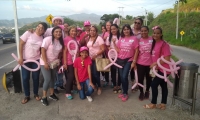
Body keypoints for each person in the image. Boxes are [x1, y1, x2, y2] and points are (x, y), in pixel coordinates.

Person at [19, 22, 48, 104]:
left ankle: (36, 94)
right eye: (38, 26)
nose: (39, 28)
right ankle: (27, 95)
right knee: (25, 78)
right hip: (25, 60)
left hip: (36, 61)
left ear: (44, 31)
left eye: (42, 28)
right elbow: (21, 44)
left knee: (36, 78)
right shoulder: (28, 33)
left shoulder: (43, 38)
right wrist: (21, 58)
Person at [143, 26, 171, 110]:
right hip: (158, 68)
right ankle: (163, 104)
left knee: (153, 84)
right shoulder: (154, 43)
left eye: (158, 33)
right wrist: (154, 66)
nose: (156, 35)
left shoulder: (164, 44)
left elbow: (167, 58)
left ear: (161, 34)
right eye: (154, 33)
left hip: (164, 69)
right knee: (163, 86)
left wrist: (155, 63)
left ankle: (153, 103)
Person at [113, 24, 139, 102]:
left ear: (130, 30)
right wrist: (114, 43)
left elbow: (137, 50)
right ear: (122, 31)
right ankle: (124, 91)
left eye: (127, 29)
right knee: (121, 77)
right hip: (120, 59)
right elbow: (118, 50)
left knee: (124, 76)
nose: (126, 31)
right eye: (124, 29)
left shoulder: (134, 38)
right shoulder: (121, 38)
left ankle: (125, 93)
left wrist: (134, 61)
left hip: (129, 59)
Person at [40, 26, 64, 106]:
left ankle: (51, 94)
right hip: (45, 62)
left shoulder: (61, 41)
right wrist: (46, 62)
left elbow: (60, 52)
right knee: (47, 79)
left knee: (53, 79)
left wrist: (58, 61)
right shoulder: (47, 39)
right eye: (56, 32)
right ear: (53, 33)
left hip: (54, 63)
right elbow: (43, 50)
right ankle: (44, 97)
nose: (58, 33)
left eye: (60, 32)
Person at [87, 25, 105, 95]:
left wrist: (96, 55)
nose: (92, 32)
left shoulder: (99, 38)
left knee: (96, 73)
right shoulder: (89, 38)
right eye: (91, 30)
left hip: (97, 58)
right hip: (90, 58)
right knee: (91, 73)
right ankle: (94, 85)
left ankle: (99, 87)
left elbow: (103, 49)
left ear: (96, 31)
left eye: (94, 30)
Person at [136, 26, 153, 101]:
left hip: (150, 63)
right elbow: (136, 52)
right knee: (140, 79)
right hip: (140, 63)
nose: (143, 32)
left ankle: (147, 91)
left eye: (145, 31)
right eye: (142, 31)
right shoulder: (139, 40)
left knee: (149, 78)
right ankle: (141, 92)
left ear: (148, 31)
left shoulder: (152, 40)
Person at [63, 26, 79, 100]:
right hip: (69, 61)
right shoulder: (66, 39)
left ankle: (71, 89)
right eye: (72, 31)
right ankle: (67, 92)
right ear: (69, 31)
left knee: (73, 76)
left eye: (75, 31)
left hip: (74, 61)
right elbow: (64, 51)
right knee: (71, 76)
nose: (74, 32)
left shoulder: (74, 39)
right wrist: (65, 63)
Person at [105, 24, 121, 93]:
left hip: (120, 56)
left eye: (114, 29)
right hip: (112, 57)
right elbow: (107, 46)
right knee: (113, 72)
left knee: (120, 72)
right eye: (111, 29)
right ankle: (114, 85)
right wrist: (110, 48)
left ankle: (119, 85)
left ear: (117, 29)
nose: (113, 30)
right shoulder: (109, 37)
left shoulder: (121, 37)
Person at [131, 17, 143, 92]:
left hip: (140, 53)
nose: (136, 24)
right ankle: (133, 83)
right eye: (135, 22)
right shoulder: (130, 31)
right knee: (132, 69)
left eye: (138, 23)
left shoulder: (142, 32)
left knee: (138, 69)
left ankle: (138, 83)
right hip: (130, 53)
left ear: (141, 24)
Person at [102, 21, 112, 87]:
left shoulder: (113, 32)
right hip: (105, 53)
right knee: (106, 67)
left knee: (112, 68)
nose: (108, 26)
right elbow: (101, 41)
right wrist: (104, 38)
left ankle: (113, 81)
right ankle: (107, 80)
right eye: (107, 25)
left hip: (112, 53)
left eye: (109, 25)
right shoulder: (104, 33)